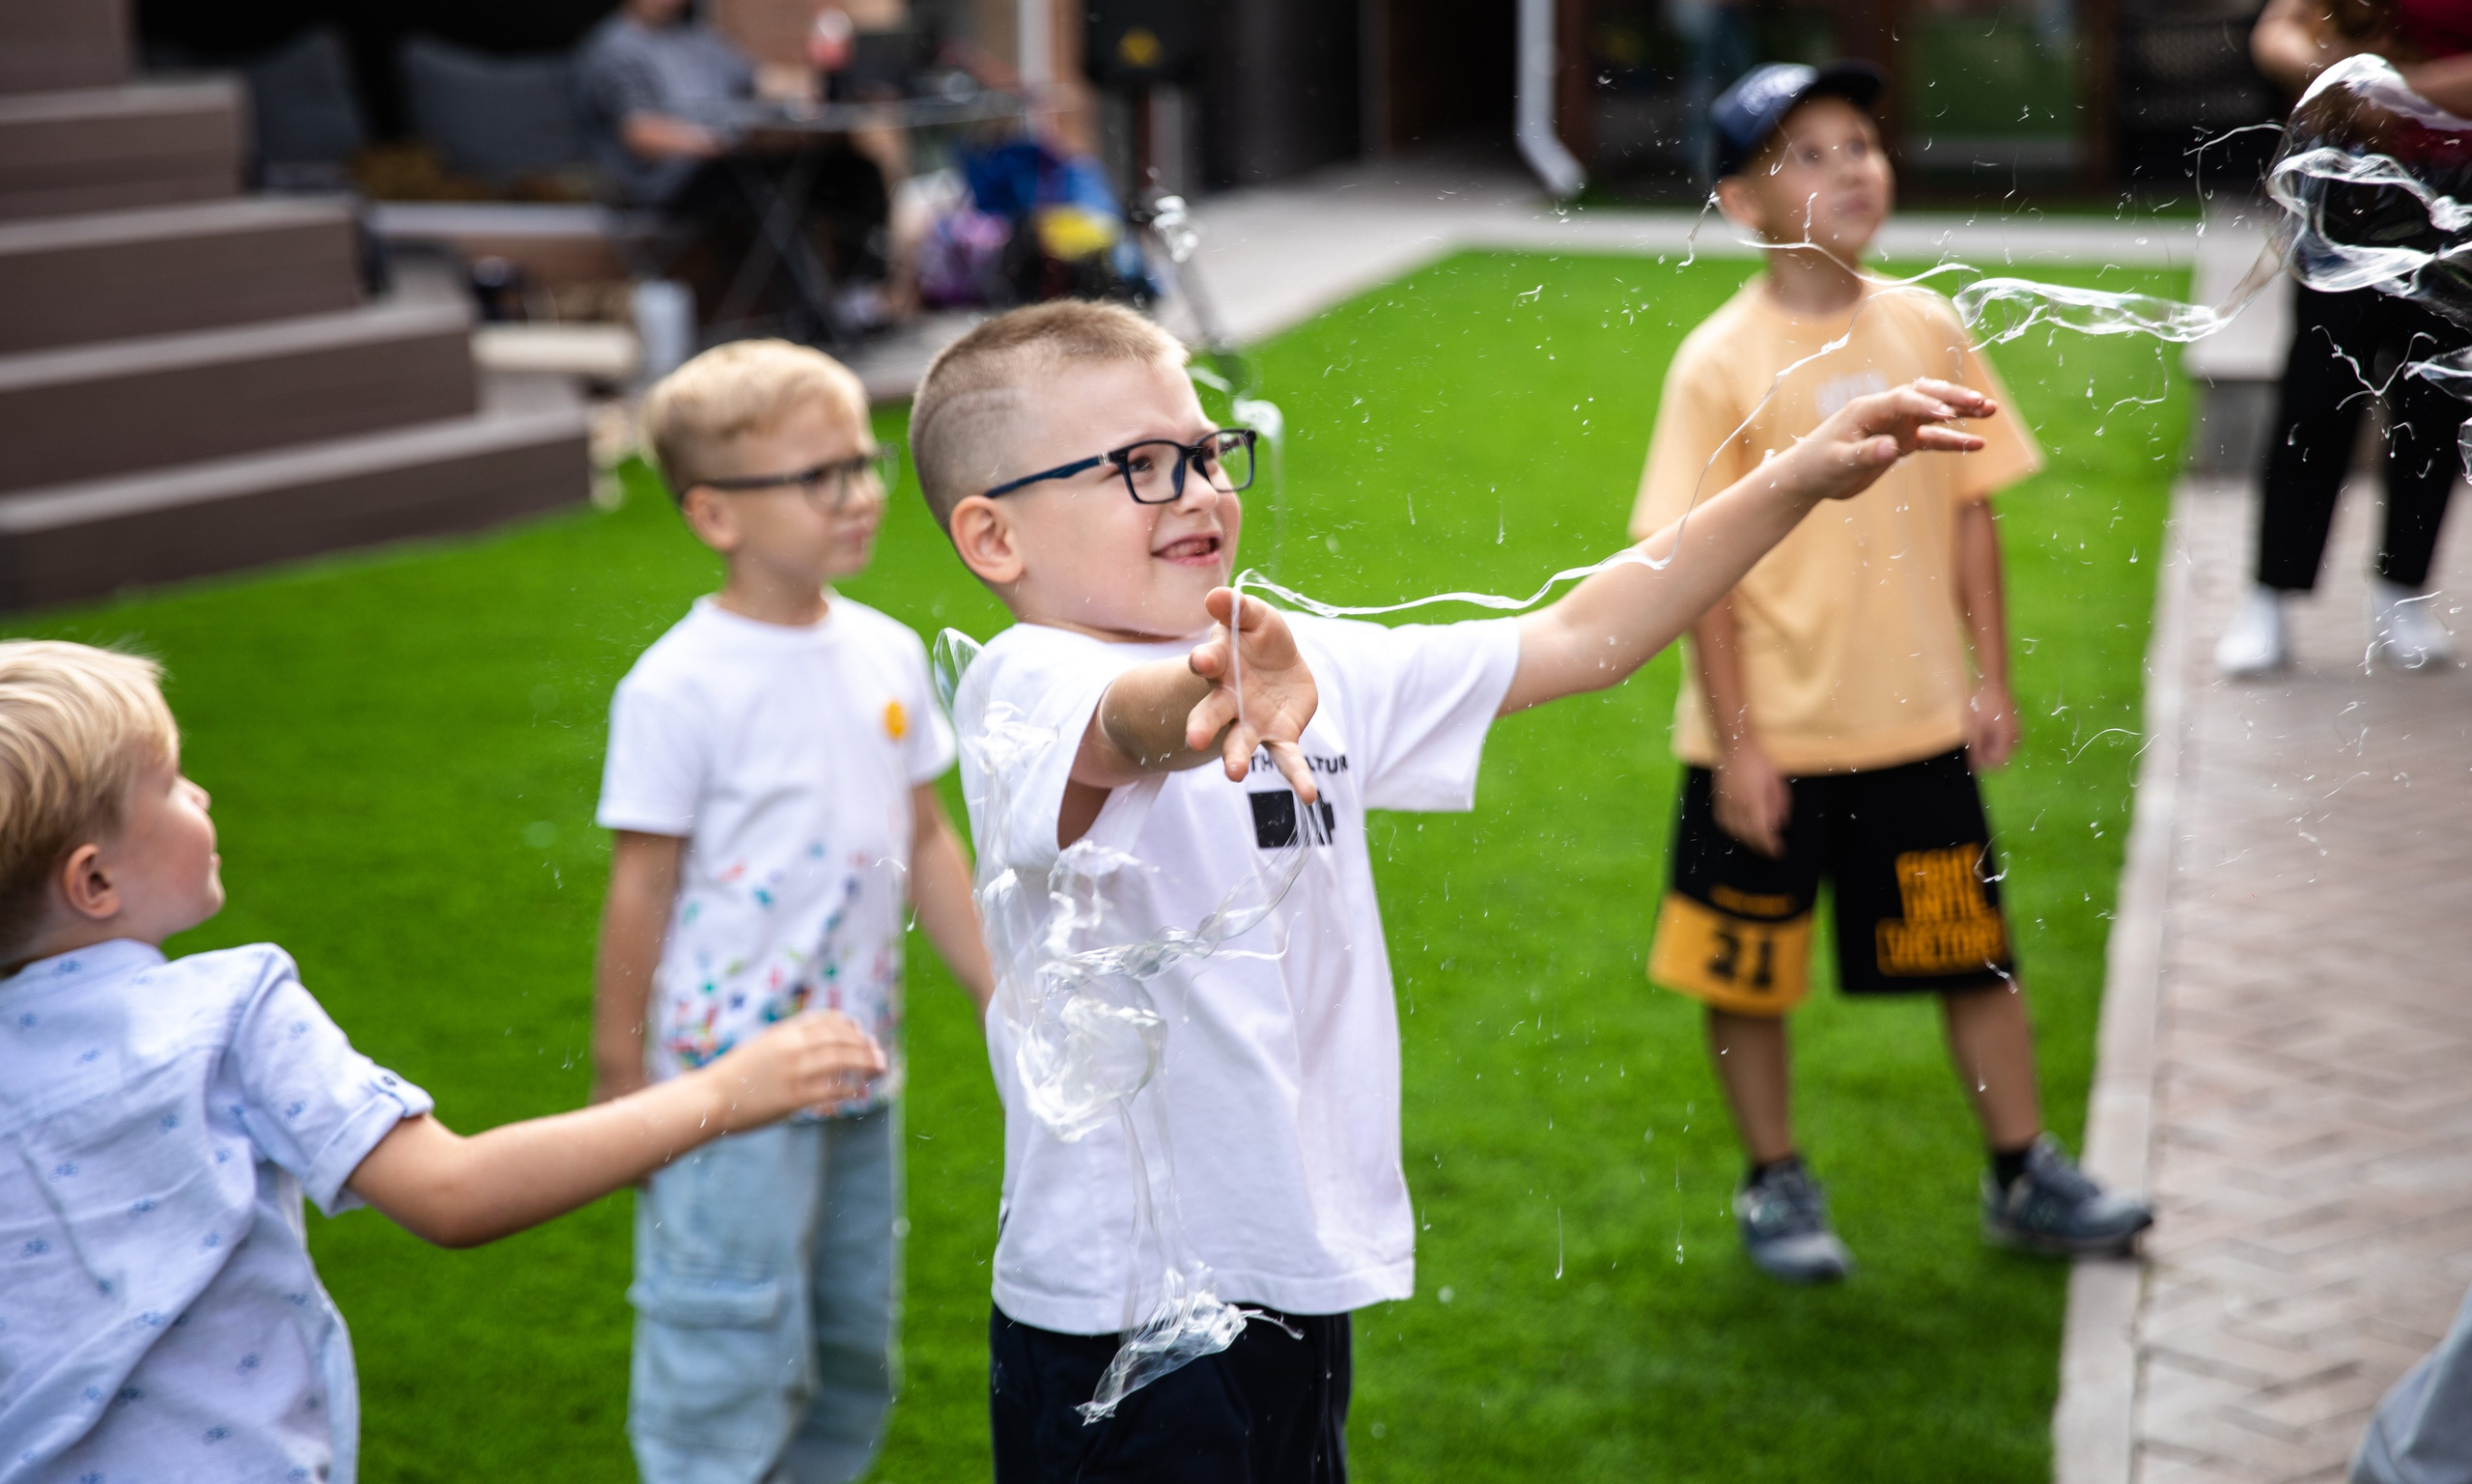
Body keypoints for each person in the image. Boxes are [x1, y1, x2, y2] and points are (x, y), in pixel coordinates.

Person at [905, 298, 1997, 1479]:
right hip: (1113, 1312)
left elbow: (1584, 638)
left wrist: (1796, 479)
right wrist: (1210, 687)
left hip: (1290, 1271)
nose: (1201, 489)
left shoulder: (1305, 656)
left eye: (1211, 452)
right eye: (1141, 467)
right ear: (993, 539)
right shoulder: (1025, 682)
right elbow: (1132, 727)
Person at [0, 640, 887, 1484]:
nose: (199, 795)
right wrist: (726, 1090)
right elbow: (454, 1192)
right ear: (94, 882)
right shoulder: (225, 1015)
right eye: (169, 786)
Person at [1627, 62, 2155, 1285]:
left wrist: (1989, 678)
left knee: (1971, 955)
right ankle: (1775, 1182)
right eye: (1804, 153)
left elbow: (1971, 509)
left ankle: (2023, 1168)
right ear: (1741, 201)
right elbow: (1694, 562)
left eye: (1858, 142)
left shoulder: (1924, 324)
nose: (1849, 167)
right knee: (1745, 975)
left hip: (1914, 729)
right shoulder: (1716, 362)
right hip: (1764, 747)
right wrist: (1742, 739)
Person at [592, 339, 993, 1484]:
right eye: (821, 476)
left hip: (858, 1065)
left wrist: (997, 988)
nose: (861, 494)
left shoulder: (886, 650)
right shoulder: (677, 685)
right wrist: (622, 1079)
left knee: (852, 1333)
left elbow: (924, 836)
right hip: (720, 1088)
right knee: (724, 1336)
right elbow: (641, 882)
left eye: (862, 464)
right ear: (715, 513)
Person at [2219, 0, 2469, 676]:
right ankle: (2268, 595)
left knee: (2436, 400)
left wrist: (2387, 87)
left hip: (2457, 193)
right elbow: (2275, 30)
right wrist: (2336, 77)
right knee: (2315, 394)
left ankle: (2401, 595)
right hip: (2351, 191)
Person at [576, 0, 893, 332]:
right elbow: (640, 134)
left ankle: (861, 301)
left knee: (852, 169)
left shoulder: (696, 39)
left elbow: (762, 80)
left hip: (735, 162)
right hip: (670, 183)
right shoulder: (614, 49)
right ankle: (812, 319)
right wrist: (716, 143)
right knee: (765, 192)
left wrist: (828, 86)